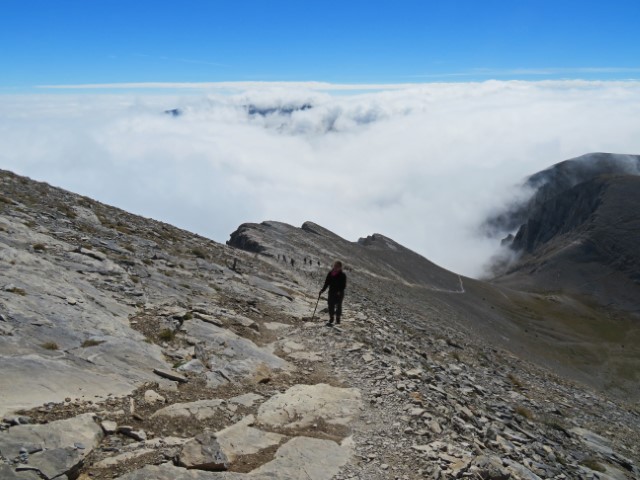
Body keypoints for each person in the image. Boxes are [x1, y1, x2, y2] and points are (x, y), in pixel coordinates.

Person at [319, 261, 347, 326]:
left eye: (337, 266)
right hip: (331, 292)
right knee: (330, 305)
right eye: (335, 266)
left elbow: (343, 285)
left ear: (340, 267)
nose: (335, 267)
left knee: (338, 306)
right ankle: (331, 318)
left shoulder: (342, 275)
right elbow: (326, 283)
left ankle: (338, 318)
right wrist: (322, 290)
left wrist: (339, 291)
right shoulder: (330, 273)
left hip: (339, 293)